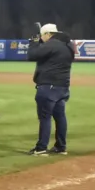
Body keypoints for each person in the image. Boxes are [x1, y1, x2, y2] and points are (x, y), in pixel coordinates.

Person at [27, 23, 75, 155]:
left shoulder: (52, 44)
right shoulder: (67, 45)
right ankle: (61, 146)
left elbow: (31, 55)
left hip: (49, 86)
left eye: (42, 36)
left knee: (45, 117)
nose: (41, 38)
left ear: (48, 34)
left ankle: (41, 147)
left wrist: (33, 42)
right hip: (63, 86)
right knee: (60, 117)